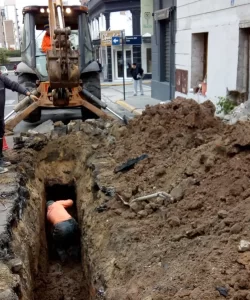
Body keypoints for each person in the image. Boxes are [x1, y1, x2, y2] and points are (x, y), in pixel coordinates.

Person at [0, 74, 37, 174]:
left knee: (0, 133)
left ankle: (1, 160)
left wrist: (28, 93)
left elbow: (14, 85)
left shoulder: (1, 78)